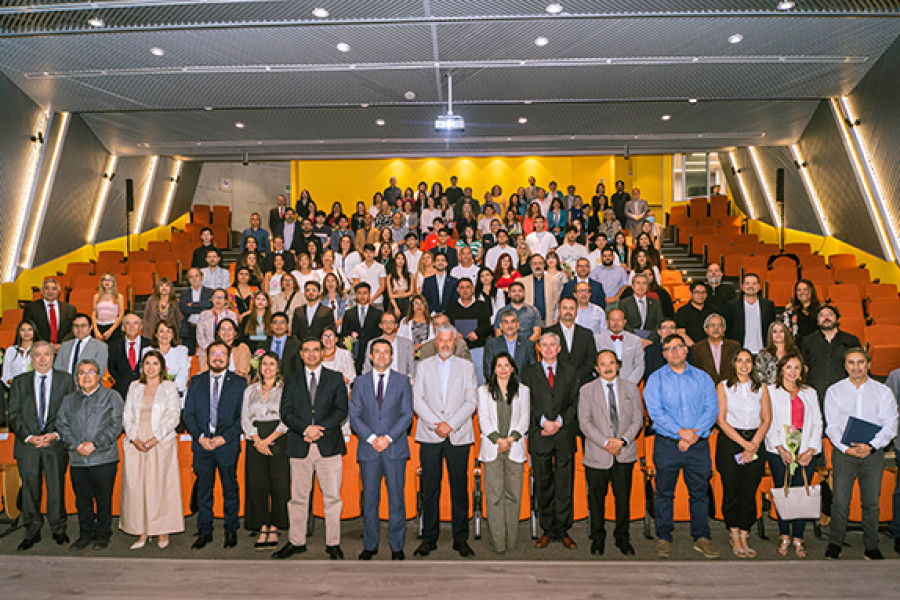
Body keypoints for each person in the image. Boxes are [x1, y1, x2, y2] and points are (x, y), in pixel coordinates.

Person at [643, 334, 720, 559]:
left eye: (678, 347)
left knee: (699, 493)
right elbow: (655, 413)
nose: (674, 352)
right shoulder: (655, 379)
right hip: (667, 444)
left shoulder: (703, 378)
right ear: (664, 354)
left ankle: (701, 537)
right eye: (669, 349)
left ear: (686, 350)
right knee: (664, 493)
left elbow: (711, 409)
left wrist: (692, 435)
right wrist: (681, 433)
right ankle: (664, 537)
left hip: (698, 445)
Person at [275, 337, 348, 560]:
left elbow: (341, 410)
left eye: (316, 350)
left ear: (323, 352)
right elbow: (286, 411)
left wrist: (319, 429)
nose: (312, 354)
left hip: (328, 446)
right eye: (307, 350)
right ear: (301, 354)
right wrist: (305, 429)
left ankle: (333, 543)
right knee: (297, 498)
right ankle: (296, 542)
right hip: (300, 445)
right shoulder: (292, 379)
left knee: (332, 498)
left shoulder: (335, 378)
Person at [824, 348, 898, 560]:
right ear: (845, 365)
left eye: (860, 362)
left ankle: (871, 546)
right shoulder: (834, 391)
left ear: (869, 365)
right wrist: (847, 448)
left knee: (871, 501)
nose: (856, 367)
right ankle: (834, 543)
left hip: (872, 454)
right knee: (840, 500)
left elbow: (890, 425)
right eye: (851, 363)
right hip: (844, 453)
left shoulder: (883, 392)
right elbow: (833, 426)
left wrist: (871, 446)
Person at [413, 325, 478, 558]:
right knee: (430, 489)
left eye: (449, 340)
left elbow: (471, 401)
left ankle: (461, 539)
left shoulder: (467, 366)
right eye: (441, 340)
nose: (445, 344)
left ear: (455, 342)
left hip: (458, 435)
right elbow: (417, 400)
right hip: (430, 435)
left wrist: (450, 424)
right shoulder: (423, 366)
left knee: (459, 489)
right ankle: (429, 538)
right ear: (435, 342)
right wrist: (436, 424)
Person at [8, 341, 76, 550]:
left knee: (56, 487)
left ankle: (58, 528)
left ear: (53, 356)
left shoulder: (66, 380)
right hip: (28, 445)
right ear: (31, 358)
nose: (42, 359)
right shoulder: (19, 382)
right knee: (30, 490)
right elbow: (14, 414)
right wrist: (29, 437)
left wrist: (54, 434)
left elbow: (69, 412)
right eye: (37, 355)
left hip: (55, 444)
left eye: (46, 354)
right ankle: (32, 530)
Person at [351, 339, 415, 560]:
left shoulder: (402, 381)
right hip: (368, 450)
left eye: (385, 352)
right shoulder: (359, 383)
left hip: (394, 448)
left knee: (396, 498)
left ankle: (397, 546)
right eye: (376, 352)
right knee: (369, 499)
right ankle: (370, 545)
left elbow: (407, 414)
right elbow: (355, 416)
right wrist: (371, 438)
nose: (381, 356)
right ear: (370, 356)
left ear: (391, 356)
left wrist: (387, 438)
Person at [184, 341, 248, 550]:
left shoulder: (239, 383)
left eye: (222, 354)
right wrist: (200, 437)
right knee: (204, 490)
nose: (218, 357)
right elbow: (188, 414)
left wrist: (224, 438)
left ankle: (231, 530)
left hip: (226, 445)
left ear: (228, 358)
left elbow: (242, 417)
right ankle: (205, 530)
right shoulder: (196, 381)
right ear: (207, 357)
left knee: (230, 488)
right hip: (202, 444)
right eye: (213, 354)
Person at [579, 349, 643, 556]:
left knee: (623, 499)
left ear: (618, 365)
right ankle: (597, 539)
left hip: (625, 453)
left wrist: (622, 441)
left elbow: (637, 420)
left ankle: (622, 538)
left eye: (612, 363)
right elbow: (585, 423)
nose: (608, 367)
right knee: (596, 500)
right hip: (598, 454)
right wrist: (606, 442)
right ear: (596, 368)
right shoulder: (587, 390)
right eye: (603, 364)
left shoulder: (631, 388)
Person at [56, 358, 124, 551]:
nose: (86, 376)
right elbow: (61, 424)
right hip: (78, 458)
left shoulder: (112, 396)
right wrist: (76, 445)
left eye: (90, 372)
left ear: (99, 375)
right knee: (82, 500)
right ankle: (85, 534)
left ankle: (103, 534)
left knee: (103, 498)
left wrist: (95, 444)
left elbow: (116, 424)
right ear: (77, 378)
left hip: (103, 457)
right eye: (81, 373)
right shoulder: (69, 400)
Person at [119, 351, 183, 550]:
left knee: (161, 486)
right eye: (147, 363)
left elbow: (174, 416)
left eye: (155, 363)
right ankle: (142, 530)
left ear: (162, 367)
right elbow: (127, 414)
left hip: (161, 441)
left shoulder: (169, 387)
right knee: (137, 488)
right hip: (136, 441)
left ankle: (162, 529)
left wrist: (156, 438)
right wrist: (134, 438)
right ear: (142, 366)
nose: (151, 367)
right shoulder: (134, 387)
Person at [521, 332, 579, 549]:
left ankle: (563, 530)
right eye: (543, 345)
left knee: (564, 484)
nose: (548, 348)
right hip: (540, 434)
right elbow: (526, 402)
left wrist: (560, 422)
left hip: (563, 435)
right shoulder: (528, 373)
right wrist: (543, 421)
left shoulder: (571, 372)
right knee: (543, 485)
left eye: (552, 345)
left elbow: (575, 401)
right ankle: (547, 530)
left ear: (559, 348)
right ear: (538, 348)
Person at [715, 349, 772, 559]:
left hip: (756, 441)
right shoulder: (723, 386)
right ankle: (734, 533)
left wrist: (754, 444)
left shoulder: (761, 388)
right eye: (740, 360)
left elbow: (766, 419)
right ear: (734, 363)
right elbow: (721, 420)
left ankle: (745, 533)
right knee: (732, 489)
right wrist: (743, 444)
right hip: (731, 442)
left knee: (749, 489)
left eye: (748, 361)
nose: (744, 364)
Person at [764, 354, 822, 559]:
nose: (793, 371)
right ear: (781, 369)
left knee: (801, 493)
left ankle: (798, 537)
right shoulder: (770, 391)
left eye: (797, 367)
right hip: (780, 451)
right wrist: (780, 448)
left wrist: (810, 450)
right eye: (789, 367)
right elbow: (767, 421)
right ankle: (783, 536)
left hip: (805, 451)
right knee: (784, 492)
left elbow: (817, 423)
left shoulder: (809, 393)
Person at [477, 352, 530, 554]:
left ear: (513, 368)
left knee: (513, 495)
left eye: (507, 365)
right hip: (492, 448)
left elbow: (524, 417)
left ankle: (512, 540)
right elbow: (483, 418)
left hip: (514, 448)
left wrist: (511, 439)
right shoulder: (483, 391)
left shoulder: (523, 390)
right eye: (499, 365)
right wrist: (497, 439)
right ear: (493, 369)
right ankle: (498, 542)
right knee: (494, 496)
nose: (503, 369)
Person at [241, 351, 290, 550]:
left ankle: (275, 525)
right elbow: (244, 417)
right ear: (259, 367)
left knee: (278, 484)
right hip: (255, 439)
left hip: (278, 437)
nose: (267, 367)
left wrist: (268, 440)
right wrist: (257, 440)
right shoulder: (249, 390)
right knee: (257, 484)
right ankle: (261, 525)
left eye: (271, 363)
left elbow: (287, 417)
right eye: (264, 364)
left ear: (278, 367)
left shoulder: (285, 389)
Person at [800, 304, 861, 406]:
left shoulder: (851, 340)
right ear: (817, 321)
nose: (826, 318)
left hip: (844, 395)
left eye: (830, 314)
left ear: (837, 319)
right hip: (815, 396)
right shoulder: (808, 341)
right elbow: (803, 367)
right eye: (822, 315)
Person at [446, 278, 492, 385]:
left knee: (479, 380)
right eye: (462, 288)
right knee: (457, 381)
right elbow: (447, 325)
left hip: (477, 349)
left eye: (468, 287)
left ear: (473, 289)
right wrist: (454, 333)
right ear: (457, 290)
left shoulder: (481, 305)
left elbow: (487, 326)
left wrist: (477, 333)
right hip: (456, 349)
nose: (465, 290)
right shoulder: (451, 307)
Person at [545, 296, 598, 387]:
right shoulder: (548, 333)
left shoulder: (587, 334)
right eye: (565, 308)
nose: (568, 312)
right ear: (559, 311)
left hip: (582, 382)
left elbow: (591, 359)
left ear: (576, 311)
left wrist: (576, 377)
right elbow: (546, 358)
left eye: (571, 308)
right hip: (556, 383)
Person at [724, 273, 775, 355]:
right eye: (747, 284)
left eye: (754, 284)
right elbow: (727, 329)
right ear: (742, 287)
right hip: (739, 352)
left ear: (759, 287)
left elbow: (772, 328)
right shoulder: (732, 305)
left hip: (763, 352)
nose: (751, 286)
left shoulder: (768, 305)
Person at [341, 282, 383, 374]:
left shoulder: (378, 313)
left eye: (365, 293)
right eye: (359, 293)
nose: (362, 296)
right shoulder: (349, 314)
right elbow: (344, 334)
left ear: (369, 294)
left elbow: (380, 334)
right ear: (356, 295)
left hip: (372, 352)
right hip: (354, 354)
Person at [595, 308, 645, 385]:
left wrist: (629, 384)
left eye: (619, 320)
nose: (616, 323)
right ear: (607, 322)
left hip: (630, 384)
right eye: (612, 320)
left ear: (624, 322)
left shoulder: (635, 340)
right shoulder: (597, 340)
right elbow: (595, 364)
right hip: (603, 384)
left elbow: (640, 365)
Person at [108, 313, 151, 400]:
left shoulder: (149, 345)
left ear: (141, 326)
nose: (132, 326)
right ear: (123, 327)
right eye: (128, 323)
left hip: (146, 391)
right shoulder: (114, 346)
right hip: (121, 393)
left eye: (135, 323)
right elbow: (112, 368)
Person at [362, 312, 416, 379]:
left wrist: (407, 383)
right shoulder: (372, 343)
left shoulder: (406, 344)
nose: (388, 325)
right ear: (380, 325)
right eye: (385, 322)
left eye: (391, 322)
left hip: (400, 382)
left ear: (396, 325)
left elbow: (411, 368)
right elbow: (367, 367)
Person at [23, 278, 76, 345]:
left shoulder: (70, 309)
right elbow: (28, 329)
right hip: (39, 348)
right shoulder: (31, 308)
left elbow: (73, 329)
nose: (50, 291)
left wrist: (62, 345)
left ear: (59, 292)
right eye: (47, 288)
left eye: (54, 289)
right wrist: (45, 345)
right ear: (42, 291)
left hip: (63, 348)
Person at [691, 313, 741, 385]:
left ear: (724, 329)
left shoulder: (734, 346)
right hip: (706, 387)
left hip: (729, 387)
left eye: (719, 325)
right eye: (712, 325)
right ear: (706, 329)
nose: (716, 328)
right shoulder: (697, 348)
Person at [483, 310, 538, 374]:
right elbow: (488, 370)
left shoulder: (528, 344)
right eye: (506, 322)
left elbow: (533, 370)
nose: (510, 325)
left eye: (513, 321)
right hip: (499, 382)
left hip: (522, 383)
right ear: (501, 326)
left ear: (518, 325)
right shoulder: (491, 344)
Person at [55, 313, 109, 378]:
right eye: (76, 326)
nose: (79, 329)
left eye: (83, 326)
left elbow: (99, 372)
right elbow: (57, 369)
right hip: (65, 386)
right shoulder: (64, 346)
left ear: (91, 327)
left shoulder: (100, 347)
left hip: (88, 386)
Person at [150, 320, 190, 398]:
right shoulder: (148, 351)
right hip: (154, 396)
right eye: (161, 331)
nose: (165, 334)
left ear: (173, 335)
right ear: (156, 334)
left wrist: (170, 393)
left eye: (168, 331)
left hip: (177, 396)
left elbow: (183, 375)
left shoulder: (182, 351)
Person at [519, 255, 561, 328]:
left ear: (544, 265)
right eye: (534, 263)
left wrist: (556, 318)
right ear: (531, 266)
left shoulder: (553, 281)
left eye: (540, 263)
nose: (537, 266)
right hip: (529, 322)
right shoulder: (523, 282)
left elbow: (556, 300)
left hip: (547, 321)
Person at [620, 273, 664, 341]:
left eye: (644, 283)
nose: (641, 286)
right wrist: (637, 340)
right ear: (632, 286)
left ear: (648, 287)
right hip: (631, 339)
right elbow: (624, 323)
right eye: (638, 283)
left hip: (651, 340)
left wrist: (650, 340)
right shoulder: (624, 303)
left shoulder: (656, 303)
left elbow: (659, 323)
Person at [196, 288, 238, 360]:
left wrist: (225, 349)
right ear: (211, 299)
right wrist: (209, 349)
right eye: (215, 297)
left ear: (225, 301)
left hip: (226, 351)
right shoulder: (204, 315)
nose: (218, 300)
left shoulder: (232, 315)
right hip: (206, 351)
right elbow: (200, 335)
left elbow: (234, 334)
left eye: (221, 297)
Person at [179, 268, 213, 355]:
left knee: (207, 354)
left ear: (201, 277)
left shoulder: (210, 292)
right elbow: (185, 309)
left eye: (196, 276)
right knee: (188, 354)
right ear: (188, 279)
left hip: (206, 328)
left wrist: (193, 305)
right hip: (190, 328)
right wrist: (202, 306)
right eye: (191, 277)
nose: (194, 279)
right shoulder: (184, 294)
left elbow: (210, 306)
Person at [262, 312, 302, 381]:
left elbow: (299, 369)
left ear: (287, 326)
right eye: (276, 322)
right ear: (271, 326)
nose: (279, 325)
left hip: (289, 384)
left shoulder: (296, 345)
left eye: (282, 322)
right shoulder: (262, 345)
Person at [352, 244, 387, 309]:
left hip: (377, 301)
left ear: (374, 253)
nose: (369, 254)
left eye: (371, 252)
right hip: (362, 301)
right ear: (363, 253)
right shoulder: (357, 267)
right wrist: (365, 299)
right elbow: (356, 285)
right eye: (366, 252)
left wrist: (372, 299)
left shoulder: (380, 267)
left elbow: (383, 286)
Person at [92, 273, 126, 341]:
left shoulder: (119, 297)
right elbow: (93, 313)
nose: (107, 282)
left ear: (113, 282)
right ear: (101, 282)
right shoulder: (96, 297)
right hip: (99, 326)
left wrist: (110, 330)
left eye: (109, 280)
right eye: (104, 280)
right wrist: (95, 330)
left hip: (113, 327)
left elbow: (121, 314)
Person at [3, 321, 37, 387]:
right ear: (19, 332)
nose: (26, 332)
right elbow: (6, 376)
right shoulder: (11, 351)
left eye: (30, 329)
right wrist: (15, 383)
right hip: (15, 388)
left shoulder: (40, 350)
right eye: (23, 330)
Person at [386, 251, 414, 319]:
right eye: (398, 258)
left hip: (406, 301)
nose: (400, 261)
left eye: (402, 259)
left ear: (404, 261)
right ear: (395, 260)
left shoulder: (409, 275)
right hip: (394, 302)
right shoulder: (390, 276)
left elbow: (411, 292)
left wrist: (397, 295)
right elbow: (390, 294)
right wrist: (395, 307)